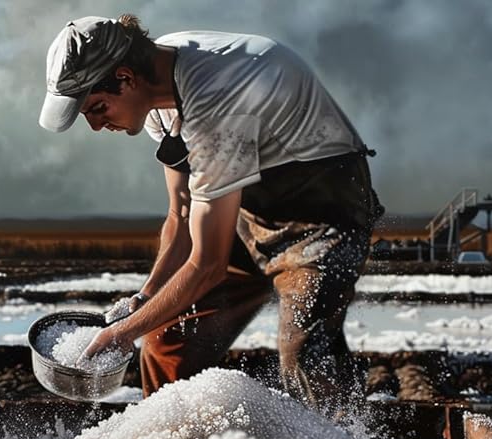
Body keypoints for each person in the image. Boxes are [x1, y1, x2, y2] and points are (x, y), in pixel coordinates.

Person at [39, 14, 383, 418]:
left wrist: (121, 333)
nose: (96, 125)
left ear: (126, 78)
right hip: (245, 206)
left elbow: (207, 264)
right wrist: (144, 299)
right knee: (167, 340)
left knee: (305, 350)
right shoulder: (157, 92)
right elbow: (182, 212)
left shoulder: (217, 100)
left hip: (321, 211)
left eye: (97, 108)